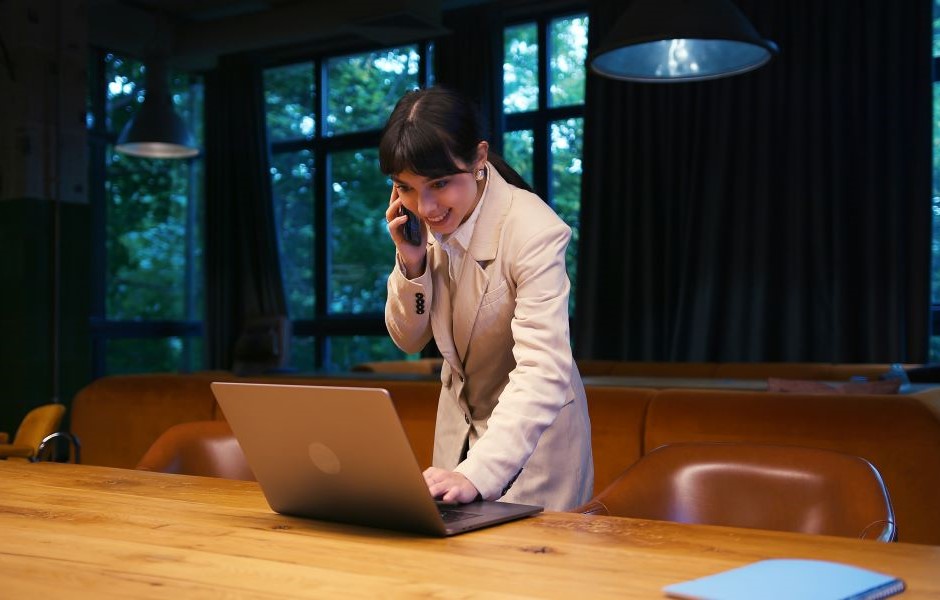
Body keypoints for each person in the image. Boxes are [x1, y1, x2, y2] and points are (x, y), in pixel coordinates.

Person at [379, 86, 593, 511]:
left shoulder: (533, 229)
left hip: (531, 447)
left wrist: (476, 473)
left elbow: (543, 370)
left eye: (440, 184)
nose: (425, 207)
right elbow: (407, 339)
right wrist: (412, 262)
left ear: (479, 158)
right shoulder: (423, 224)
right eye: (405, 187)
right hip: (455, 443)